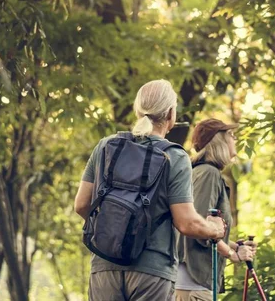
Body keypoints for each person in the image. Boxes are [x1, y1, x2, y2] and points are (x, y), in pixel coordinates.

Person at [74, 80, 226, 301]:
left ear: (138, 110)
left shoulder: (106, 147)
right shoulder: (175, 156)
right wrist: (214, 229)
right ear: (171, 114)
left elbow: (81, 205)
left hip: (104, 265)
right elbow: (186, 223)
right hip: (152, 270)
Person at [176, 118, 256, 301]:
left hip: (191, 284)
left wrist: (236, 246)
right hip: (193, 286)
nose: (235, 139)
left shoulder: (201, 172)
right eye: (231, 136)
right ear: (218, 141)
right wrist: (232, 254)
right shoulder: (208, 173)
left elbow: (208, 229)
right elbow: (199, 228)